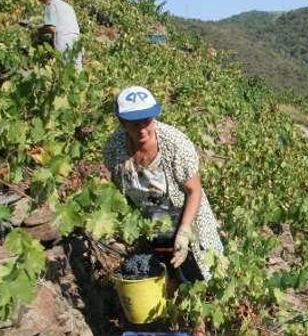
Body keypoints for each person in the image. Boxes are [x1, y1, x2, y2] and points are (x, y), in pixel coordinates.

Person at [104, 85, 224, 281]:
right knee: (167, 278)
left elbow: (195, 191)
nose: (142, 128)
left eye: (147, 120)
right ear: (121, 122)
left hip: (189, 219)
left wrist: (184, 232)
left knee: (202, 277)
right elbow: (118, 186)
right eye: (134, 122)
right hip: (154, 226)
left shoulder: (175, 145)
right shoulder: (114, 149)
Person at [38, 0, 83, 71]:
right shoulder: (68, 6)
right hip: (77, 41)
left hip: (64, 41)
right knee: (76, 72)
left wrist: (39, 31)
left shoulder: (51, 4)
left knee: (63, 72)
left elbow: (52, 28)